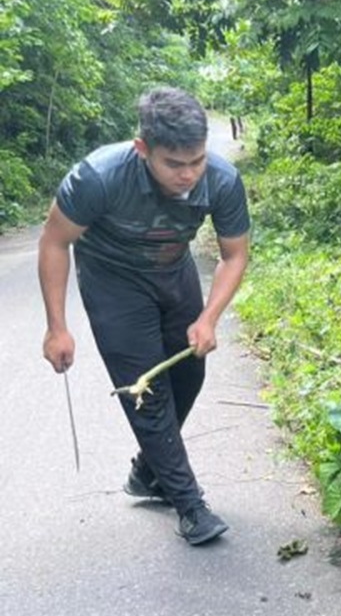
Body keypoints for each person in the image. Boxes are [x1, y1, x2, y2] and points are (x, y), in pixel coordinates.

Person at [37, 87, 251, 545]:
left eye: (196, 161)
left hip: (173, 270)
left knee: (189, 374)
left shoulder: (222, 179)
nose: (189, 174)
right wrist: (57, 327)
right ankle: (191, 507)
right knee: (148, 392)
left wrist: (209, 317)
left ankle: (147, 472)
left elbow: (234, 255)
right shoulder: (97, 177)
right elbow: (54, 242)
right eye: (174, 164)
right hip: (112, 281)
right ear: (142, 150)